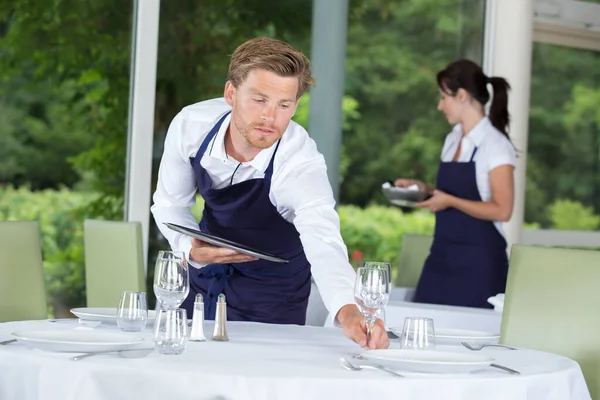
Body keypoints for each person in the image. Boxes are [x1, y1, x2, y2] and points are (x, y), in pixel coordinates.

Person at [151, 37, 389, 349]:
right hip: (203, 279)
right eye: (259, 100)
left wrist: (347, 309)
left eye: (284, 105)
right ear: (231, 94)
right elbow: (169, 204)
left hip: (273, 293)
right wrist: (188, 247)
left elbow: (324, 239)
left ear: (295, 106)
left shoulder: (300, 161)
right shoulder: (191, 126)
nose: (270, 117)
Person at [394, 59, 515, 308]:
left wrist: (449, 201)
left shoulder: (496, 146)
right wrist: (423, 190)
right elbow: (448, 194)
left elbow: (503, 210)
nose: (440, 106)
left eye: (443, 97)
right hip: (442, 257)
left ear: (462, 95)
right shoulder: (453, 138)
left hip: (480, 266)